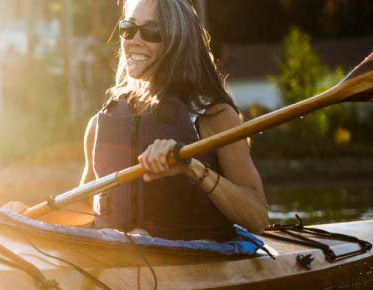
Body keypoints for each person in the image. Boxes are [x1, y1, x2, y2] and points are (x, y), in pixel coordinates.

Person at [38, 0, 268, 241]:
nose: (135, 40)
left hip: (197, 260)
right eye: (128, 28)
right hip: (119, 261)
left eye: (151, 31)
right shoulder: (99, 124)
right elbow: (85, 208)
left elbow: (257, 218)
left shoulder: (214, 117)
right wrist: (27, 219)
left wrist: (191, 167)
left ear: (177, 42)